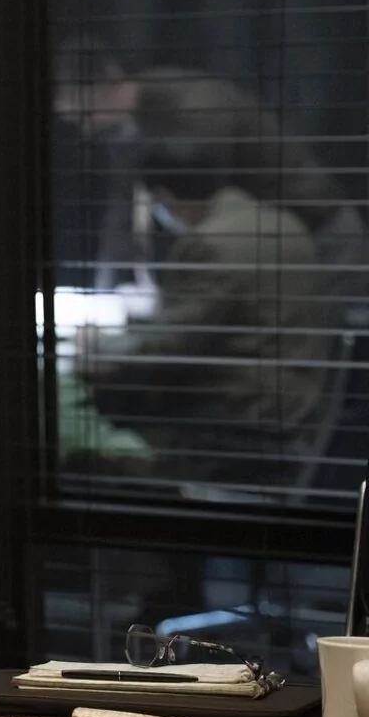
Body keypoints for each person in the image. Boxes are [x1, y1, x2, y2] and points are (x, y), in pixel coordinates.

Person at [79, 82, 335, 488]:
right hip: (299, 403)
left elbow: (172, 344)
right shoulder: (280, 221)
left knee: (94, 447)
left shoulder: (209, 244)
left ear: (166, 197)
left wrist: (97, 348)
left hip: (245, 415)